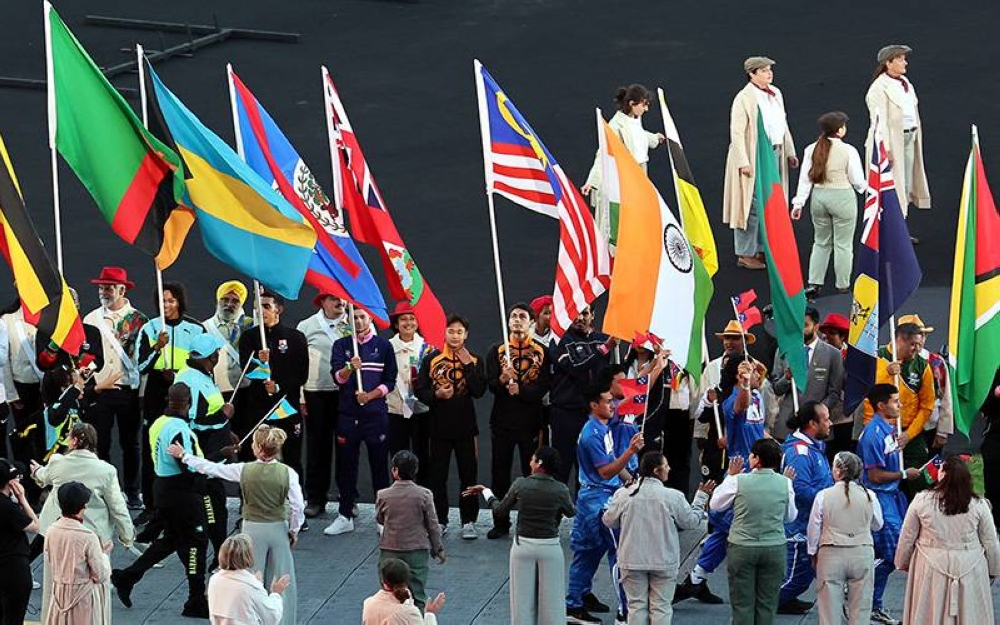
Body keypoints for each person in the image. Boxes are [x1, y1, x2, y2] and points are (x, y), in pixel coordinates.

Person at [171, 424, 304, 625]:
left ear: (258, 448)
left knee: (249, 579)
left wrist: (184, 455)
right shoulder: (288, 473)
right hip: (278, 529)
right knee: (281, 579)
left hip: (252, 530)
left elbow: (212, 468)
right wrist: (294, 530)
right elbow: (297, 506)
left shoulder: (244, 470)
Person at [111, 383, 209, 618]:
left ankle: (127, 577)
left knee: (171, 540)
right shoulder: (180, 430)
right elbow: (187, 466)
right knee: (196, 544)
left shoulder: (159, 423)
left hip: (163, 488)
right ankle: (195, 600)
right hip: (183, 494)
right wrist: (213, 465)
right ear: (189, 403)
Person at [677, 357, 767, 605]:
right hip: (740, 474)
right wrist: (745, 385)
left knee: (724, 531)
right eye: (750, 371)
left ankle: (696, 579)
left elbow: (760, 430)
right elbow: (740, 405)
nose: (757, 374)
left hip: (759, 472)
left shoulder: (758, 398)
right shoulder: (733, 401)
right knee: (729, 527)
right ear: (740, 377)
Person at [30, 423, 134, 622]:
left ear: (75, 440)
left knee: (55, 586)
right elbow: (118, 507)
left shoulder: (58, 462)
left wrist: (36, 472)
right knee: (96, 586)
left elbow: (44, 476)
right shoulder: (106, 470)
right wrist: (127, 536)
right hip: (93, 535)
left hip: (59, 532)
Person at [465, 446, 575, 625]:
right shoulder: (560, 489)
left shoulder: (521, 484)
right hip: (550, 547)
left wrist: (486, 492)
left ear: (539, 463)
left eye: (532, 459)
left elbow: (500, 510)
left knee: (521, 605)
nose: (530, 462)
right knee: (553, 605)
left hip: (523, 546)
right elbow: (571, 512)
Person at [602, 451, 713, 625]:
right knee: (661, 607)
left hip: (631, 559)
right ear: (656, 470)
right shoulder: (673, 496)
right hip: (663, 560)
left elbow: (609, 521)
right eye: (666, 466)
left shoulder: (624, 494)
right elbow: (690, 521)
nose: (669, 469)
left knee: (636, 606)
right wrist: (700, 498)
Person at [564, 385, 643, 624]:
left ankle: (574, 604)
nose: (613, 405)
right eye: (608, 401)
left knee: (588, 552)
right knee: (619, 554)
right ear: (594, 405)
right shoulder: (592, 434)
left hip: (593, 499)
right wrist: (630, 451)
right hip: (600, 503)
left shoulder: (601, 428)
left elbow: (612, 464)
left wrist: (632, 482)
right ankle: (625, 612)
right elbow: (607, 471)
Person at [895, 455, 1000, 624]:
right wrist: (994, 569)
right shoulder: (979, 505)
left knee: (929, 614)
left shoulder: (921, 501)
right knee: (970, 615)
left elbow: (907, 536)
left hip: (930, 565)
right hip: (970, 565)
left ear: (942, 476)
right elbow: (990, 541)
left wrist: (902, 562)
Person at [134, 282, 205, 522]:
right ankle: (151, 506)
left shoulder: (196, 328)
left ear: (180, 302)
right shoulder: (150, 328)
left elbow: (205, 364)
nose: (166, 305)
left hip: (184, 391)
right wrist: (157, 347)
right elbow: (141, 366)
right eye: (162, 301)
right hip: (157, 390)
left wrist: (180, 375)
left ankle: (188, 499)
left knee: (185, 444)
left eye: (171, 301)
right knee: (151, 447)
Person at [325, 306, 397, 536]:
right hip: (348, 416)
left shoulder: (384, 346)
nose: (358, 321)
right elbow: (337, 378)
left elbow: (390, 381)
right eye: (354, 317)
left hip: (375, 416)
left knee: (379, 467)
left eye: (362, 317)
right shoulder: (341, 345)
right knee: (346, 467)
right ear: (348, 320)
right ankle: (345, 515)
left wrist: (371, 395)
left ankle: (382, 519)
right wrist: (349, 368)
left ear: (369, 319)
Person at [81, 266, 147, 510]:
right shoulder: (90, 319)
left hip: (128, 391)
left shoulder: (139, 320)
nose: (103, 292)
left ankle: (133, 492)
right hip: (101, 391)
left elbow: (144, 359)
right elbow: (84, 357)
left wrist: (141, 392)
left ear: (122, 290)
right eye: (101, 288)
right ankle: (106, 492)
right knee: (101, 444)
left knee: (130, 444)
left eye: (108, 288)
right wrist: (90, 386)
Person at [414, 314, 486, 539]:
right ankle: (440, 521)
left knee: (469, 475)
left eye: (459, 332)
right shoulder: (431, 359)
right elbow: (421, 391)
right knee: (438, 476)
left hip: (466, 428)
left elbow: (479, 391)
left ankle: (468, 521)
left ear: (466, 335)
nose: (455, 336)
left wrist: (467, 365)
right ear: (444, 333)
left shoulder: (475, 360)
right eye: (451, 331)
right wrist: (437, 394)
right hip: (438, 428)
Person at [710, 439, 797, 625]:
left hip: (742, 545)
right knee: (767, 603)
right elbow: (790, 516)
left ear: (756, 459)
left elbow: (715, 504)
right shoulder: (785, 483)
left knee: (742, 602)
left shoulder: (738, 481)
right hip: (774, 546)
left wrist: (730, 477)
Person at [723, 56, 797, 270]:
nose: (769, 73)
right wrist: (743, 162)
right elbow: (737, 132)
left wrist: (789, 151)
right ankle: (745, 253)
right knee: (751, 204)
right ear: (752, 74)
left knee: (771, 202)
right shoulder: (744, 98)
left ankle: (766, 248)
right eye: (763, 70)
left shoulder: (776, 93)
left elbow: (782, 124)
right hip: (753, 155)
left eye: (769, 69)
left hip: (774, 152)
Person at [485, 303, 551, 538]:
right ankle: (500, 522)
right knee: (500, 474)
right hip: (502, 423)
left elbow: (543, 386)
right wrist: (503, 379)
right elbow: (490, 385)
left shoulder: (542, 352)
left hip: (531, 424)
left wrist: (520, 390)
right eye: (513, 316)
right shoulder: (497, 350)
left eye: (522, 316)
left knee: (532, 475)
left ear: (531, 322)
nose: (516, 320)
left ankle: (529, 523)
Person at [857, 383, 921, 625]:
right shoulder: (873, 434)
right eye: (895, 401)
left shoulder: (889, 429)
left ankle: (872, 604)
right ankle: (857, 587)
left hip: (892, 497)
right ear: (881, 405)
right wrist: (904, 474)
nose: (900, 405)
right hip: (880, 499)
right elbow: (874, 476)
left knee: (887, 552)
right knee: (894, 552)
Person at [175, 333, 238, 566]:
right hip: (205, 462)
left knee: (215, 511)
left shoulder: (201, 373)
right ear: (210, 357)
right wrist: (224, 417)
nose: (218, 356)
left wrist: (227, 430)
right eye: (217, 353)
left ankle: (216, 556)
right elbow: (194, 422)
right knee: (214, 513)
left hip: (211, 458)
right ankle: (218, 559)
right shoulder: (190, 380)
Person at [582, 84, 665, 249]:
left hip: (639, 176)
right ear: (632, 104)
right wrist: (592, 181)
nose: (646, 109)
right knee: (618, 220)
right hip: (623, 179)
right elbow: (603, 153)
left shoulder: (635, 120)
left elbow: (639, 136)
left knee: (637, 217)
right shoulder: (615, 126)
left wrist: (655, 138)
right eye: (644, 105)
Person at [791, 111, 866, 293]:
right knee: (843, 244)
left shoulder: (811, 149)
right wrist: (868, 191)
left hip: (819, 197)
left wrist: (798, 203)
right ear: (840, 130)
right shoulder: (849, 150)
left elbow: (805, 179)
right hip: (842, 198)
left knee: (820, 241)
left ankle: (814, 283)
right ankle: (842, 285)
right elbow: (857, 180)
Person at [237, 290, 308, 480]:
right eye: (257, 307)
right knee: (253, 455)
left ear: (279, 310)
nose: (261, 311)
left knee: (292, 457)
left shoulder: (296, 338)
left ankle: (294, 496)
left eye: (266, 306)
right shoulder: (249, 337)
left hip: (287, 407)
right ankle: (250, 495)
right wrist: (258, 361)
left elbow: (302, 375)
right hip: (258, 408)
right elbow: (246, 369)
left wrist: (278, 386)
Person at [807, 451, 883, 625]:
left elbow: (814, 528)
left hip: (831, 552)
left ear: (837, 471)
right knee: (861, 608)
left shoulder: (823, 495)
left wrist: (812, 552)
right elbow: (878, 524)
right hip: (861, 551)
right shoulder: (869, 495)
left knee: (829, 609)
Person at [862, 322, 935, 501]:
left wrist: (909, 435)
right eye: (913, 344)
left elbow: (927, 406)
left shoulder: (922, 366)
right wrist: (886, 373)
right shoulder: (876, 357)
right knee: (882, 480)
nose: (917, 349)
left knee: (919, 483)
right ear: (899, 341)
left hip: (910, 433)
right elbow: (865, 391)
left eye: (919, 344)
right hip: (880, 432)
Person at [297, 292, 352, 518]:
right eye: (333, 298)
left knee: (347, 447)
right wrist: (301, 396)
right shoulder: (307, 326)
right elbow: (298, 363)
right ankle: (316, 498)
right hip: (315, 393)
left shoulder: (356, 322)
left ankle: (348, 497)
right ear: (322, 302)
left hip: (345, 393)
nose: (339, 302)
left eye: (342, 298)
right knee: (317, 448)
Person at [777, 401, 833, 614]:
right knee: (797, 577)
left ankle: (785, 600)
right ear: (812, 423)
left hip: (811, 523)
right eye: (826, 419)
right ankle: (766, 602)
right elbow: (799, 490)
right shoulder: (799, 453)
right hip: (800, 527)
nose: (830, 423)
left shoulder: (813, 447)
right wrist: (829, 500)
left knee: (803, 575)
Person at [865, 44, 931, 226]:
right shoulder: (879, 88)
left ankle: (901, 227)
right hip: (893, 142)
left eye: (904, 59)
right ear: (888, 63)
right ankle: (892, 230)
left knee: (906, 184)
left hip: (909, 137)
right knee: (893, 185)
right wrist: (885, 148)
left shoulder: (905, 83)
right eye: (900, 59)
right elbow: (879, 121)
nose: (905, 63)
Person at [549, 307, 614, 485]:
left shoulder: (603, 339)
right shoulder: (559, 339)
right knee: (561, 465)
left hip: (593, 414)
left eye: (584, 313)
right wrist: (604, 349)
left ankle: (586, 504)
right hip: (566, 412)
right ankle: (559, 502)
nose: (579, 318)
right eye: (575, 313)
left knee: (590, 467)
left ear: (592, 315)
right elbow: (575, 367)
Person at [376, 450, 445, 612]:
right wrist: (438, 548)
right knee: (418, 596)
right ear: (415, 470)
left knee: (389, 595)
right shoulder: (424, 495)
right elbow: (433, 525)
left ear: (395, 471)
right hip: (416, 551)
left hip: (390, 550)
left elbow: (379, 518)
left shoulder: (383, 495)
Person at [770, 307, 845, 442]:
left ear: (816, 326)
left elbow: (834, 393)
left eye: (805, 325)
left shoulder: (833, 354)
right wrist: (787, 378)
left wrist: (816, 414)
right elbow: (776, 388)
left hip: (817, 428)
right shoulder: (783, 350)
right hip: (787, 427)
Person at [43, 481, 112, 625]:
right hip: (83, 597)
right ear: (84, 505)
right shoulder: (87, 536)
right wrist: (104, 555)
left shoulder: (51, 530)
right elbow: (100, 574)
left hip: (59, 594)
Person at [695, 321, 753, 483]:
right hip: (716, 442)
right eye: (727, 338)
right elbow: (701, 412)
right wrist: (702, 436)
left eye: (735, 338)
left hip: (745, 445)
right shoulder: (711, 367)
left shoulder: (753, 367)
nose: (729, 342)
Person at [385, 302, 433, 484]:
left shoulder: (428, 348)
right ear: (396, 324)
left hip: (421, 410)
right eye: (403, 319)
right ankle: (398, 493)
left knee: (423, 454)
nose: (408, 323)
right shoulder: (386, 347)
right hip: (394, 409)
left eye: (412, 318)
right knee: (397, 455)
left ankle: (423, 492)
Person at [2, 300, 44, 504]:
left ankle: (46, 489)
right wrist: (11, 393)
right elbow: (4, 362)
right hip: (22, 389)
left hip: (47, 389)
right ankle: (27, 491)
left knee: (46, 441)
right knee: (24, 442)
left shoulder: (49, 314)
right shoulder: (7, 320)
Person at [208, 533, 290, 625]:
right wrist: (276, 593)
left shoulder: (214, 579)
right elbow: (272, 617)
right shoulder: (251, 587)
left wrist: (255, 583)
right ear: (248, 556)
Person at [0, 457, 38, 625]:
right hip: (13, 568)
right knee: (14, 617)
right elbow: (35, 526)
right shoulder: (9, 507)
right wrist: (22, 499)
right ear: (10, 483)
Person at [202, 280, 255, 395]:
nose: (229, 304)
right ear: (218, 301)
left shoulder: (251, 325)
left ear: (241, 304)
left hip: (244, 389)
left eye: (235, 301)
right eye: (225, 299)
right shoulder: (204, 327)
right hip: (213, 389)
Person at [362, 558, 446, 625]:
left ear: (383, 581)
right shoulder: (408, 612)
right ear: (406, 581)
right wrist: (430, 615)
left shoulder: (368, 603)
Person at [817, 313, 852, 461]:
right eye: (824, 334)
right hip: (821, 417)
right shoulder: (817, 355)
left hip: (843, 418)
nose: (827, 337)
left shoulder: (851, 358)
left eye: (832, 333)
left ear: (843, 336)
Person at [980, 367, 1000, 525]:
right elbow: (984, 408)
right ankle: (994, 525)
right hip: (995, 439)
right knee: (993, 486)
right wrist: (995, 394)